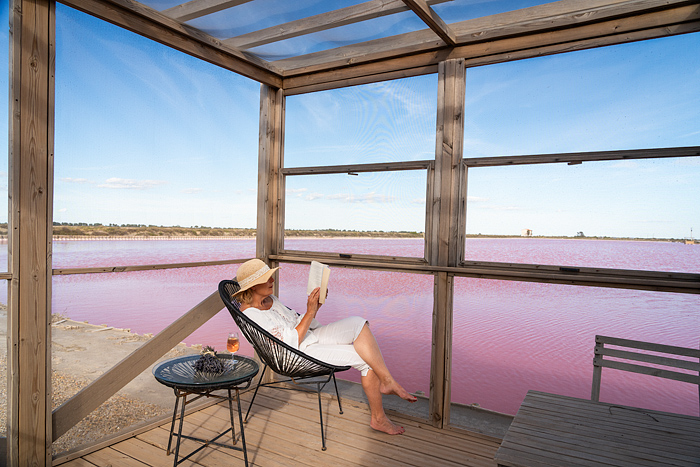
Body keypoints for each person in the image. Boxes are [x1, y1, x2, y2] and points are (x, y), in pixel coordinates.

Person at [233, 258, 417, 435]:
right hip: (295, 353)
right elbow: (287, 343)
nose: (273, 280)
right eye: (267, 278)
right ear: (253, 286)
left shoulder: (270, 299)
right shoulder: (251, 315)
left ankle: (387, 381)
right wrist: (311, 310)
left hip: (308, 337)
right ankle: (379, 418)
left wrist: (315, 306)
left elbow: (297, 322)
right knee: (366, 359)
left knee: (358, 323)